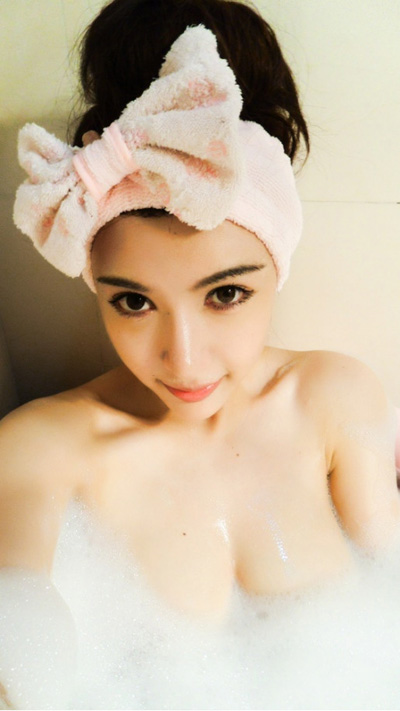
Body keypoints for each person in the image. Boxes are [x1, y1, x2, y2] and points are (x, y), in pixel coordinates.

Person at [1, 0, 400, 708]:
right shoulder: (39, 450)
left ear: (276, 267)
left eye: (225, 295)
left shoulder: (333, 398)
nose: (183, 360)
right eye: (133, 302)